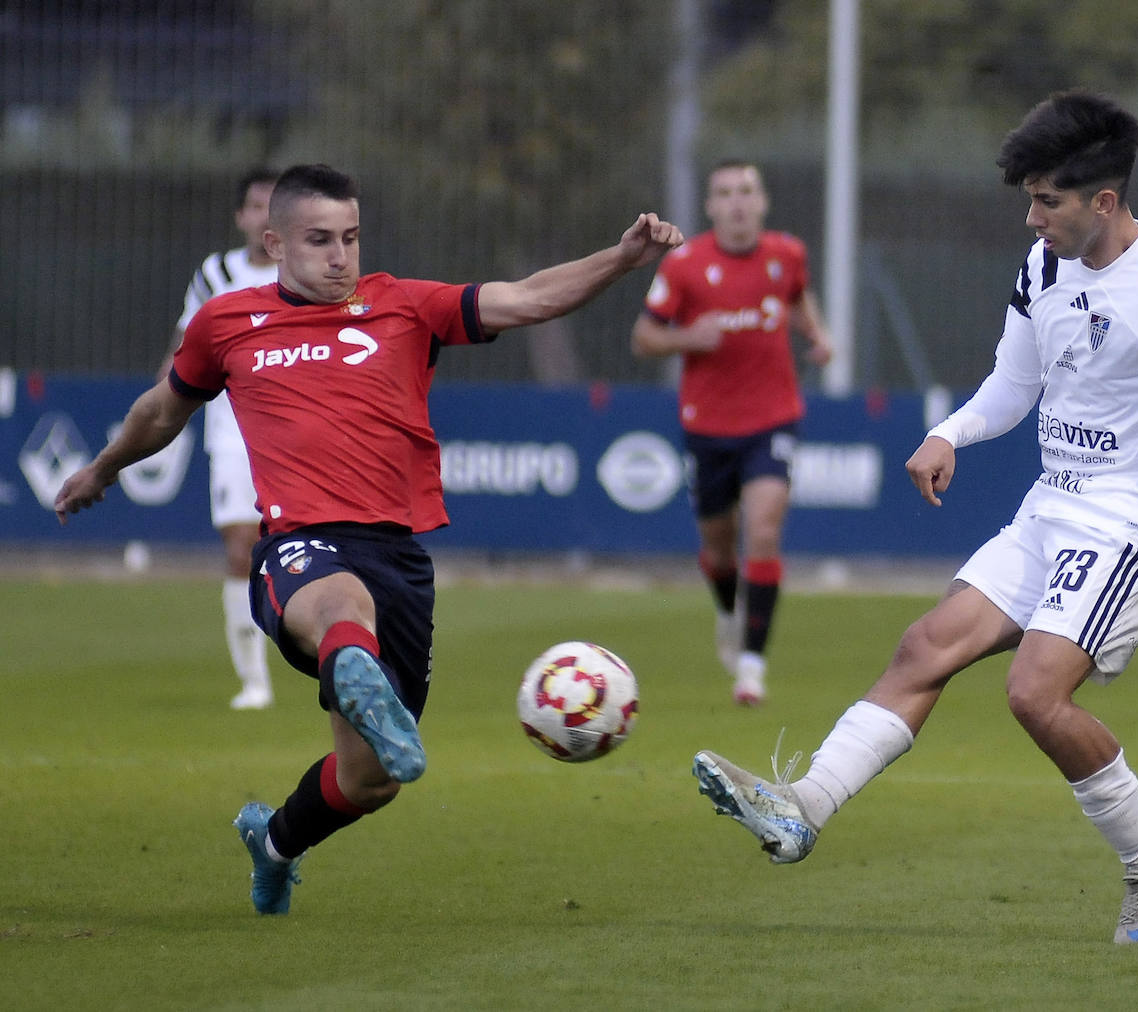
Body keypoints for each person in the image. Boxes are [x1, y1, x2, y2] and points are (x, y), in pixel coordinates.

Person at [691, 92, 1138, 945]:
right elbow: (1014, 385)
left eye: (1047, 199)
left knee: (1034, 694)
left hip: (1135, 528)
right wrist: (950, 433)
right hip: (1052, 508)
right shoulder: (1043, 268)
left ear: (1105, 202)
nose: (1031, 216)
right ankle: (803, 808)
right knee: (923, 647)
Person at [56, 163, 683, 916]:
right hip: (297, 548)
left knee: (369, 781)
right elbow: (161, 412)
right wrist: (101, 468)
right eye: (319, 239)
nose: (339, 256)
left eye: (350, 237)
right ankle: (349, 658)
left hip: (399, 559)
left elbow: (526, 299)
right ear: (273, 242)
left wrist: (620, 258)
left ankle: (276, 842)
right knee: (339, 603)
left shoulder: (402, 305)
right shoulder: (227, 323)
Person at [630, 160, 833, 706]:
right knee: (719, 550)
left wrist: (816, 334)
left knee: (763, 529)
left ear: (762, 201)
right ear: (711, 206)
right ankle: (728, 609)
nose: (737, 202)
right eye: (725, 193)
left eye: (746, 191)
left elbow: (794, 298)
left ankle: (751, 667)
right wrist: (688, 337)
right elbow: (645, 337)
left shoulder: (786, 254)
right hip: (709, 425)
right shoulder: (686, 265)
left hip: (773, 417)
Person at [160, 167, 280, 710]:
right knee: (241, 546)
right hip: (232, 425)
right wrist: (158, 410)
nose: (264, 217)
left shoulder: (306, 270)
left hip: (297, 427)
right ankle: (254, 681)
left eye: (274, 206)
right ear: (241, 216)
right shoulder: (217, 272)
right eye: (256, 206)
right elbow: (187, 345)